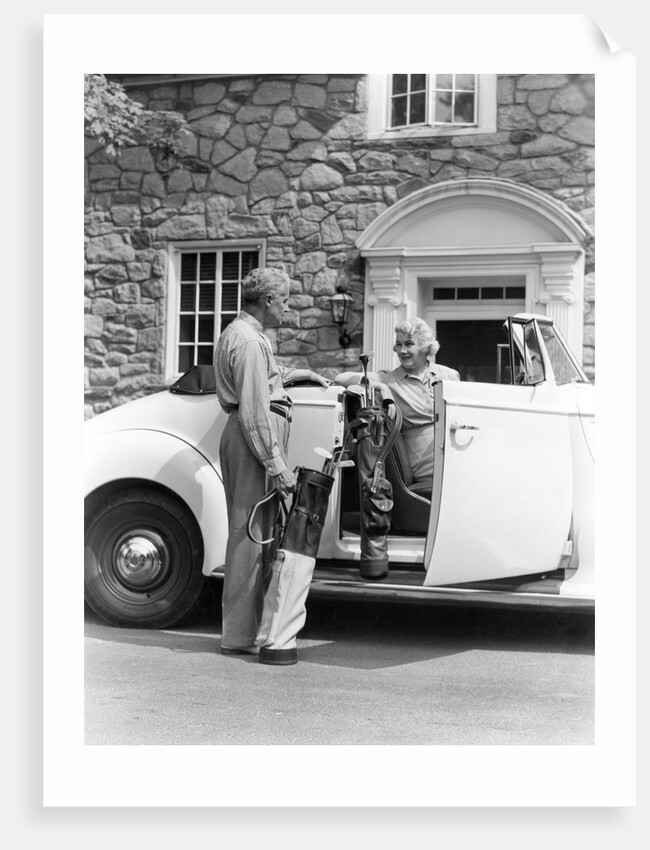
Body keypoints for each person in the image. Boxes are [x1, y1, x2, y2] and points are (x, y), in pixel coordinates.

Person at [213, 267, 330, 662]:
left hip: (252, 439)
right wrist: (278, 467)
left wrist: (303, 374)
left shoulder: (246, 335)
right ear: (266, 301)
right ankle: (240, 635)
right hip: (253, 440)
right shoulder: (248, 341)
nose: (287, 308)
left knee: (257, 532)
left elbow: (266, 381)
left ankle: (250, 630)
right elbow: (254, 410)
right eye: (283, 300)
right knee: (249, 536)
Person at [335, 318, 460, 491]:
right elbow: (340, 378)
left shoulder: (448, 375)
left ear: (424, 347)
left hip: (453, 448)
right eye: (399, 344)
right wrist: (382, 388)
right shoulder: (389, 379)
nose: (402, 350)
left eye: (409, 344)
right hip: (425, 462)